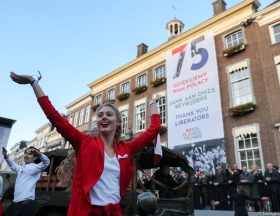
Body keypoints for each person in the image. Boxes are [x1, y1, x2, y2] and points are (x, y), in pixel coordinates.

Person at [10, 71, 161, 216]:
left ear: (117, 121)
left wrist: (152, 104)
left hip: (112, 212)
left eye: (109, 114)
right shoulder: (83, 142)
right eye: (100, 115)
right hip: (85, 211)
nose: (104, 117)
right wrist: (33, 82)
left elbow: (154, 129)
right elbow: (54, 116)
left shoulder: (127, 148)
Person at [2, 146, 50, 216]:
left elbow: (46, 163)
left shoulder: (34, 168)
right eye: (25, 153)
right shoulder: (21, 168)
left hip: (25, 206)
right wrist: (5, 155)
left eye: (30, 154)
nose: (26, 155)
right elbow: (12, 165)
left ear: (35, 158)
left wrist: (38, 153)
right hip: (15, 205)